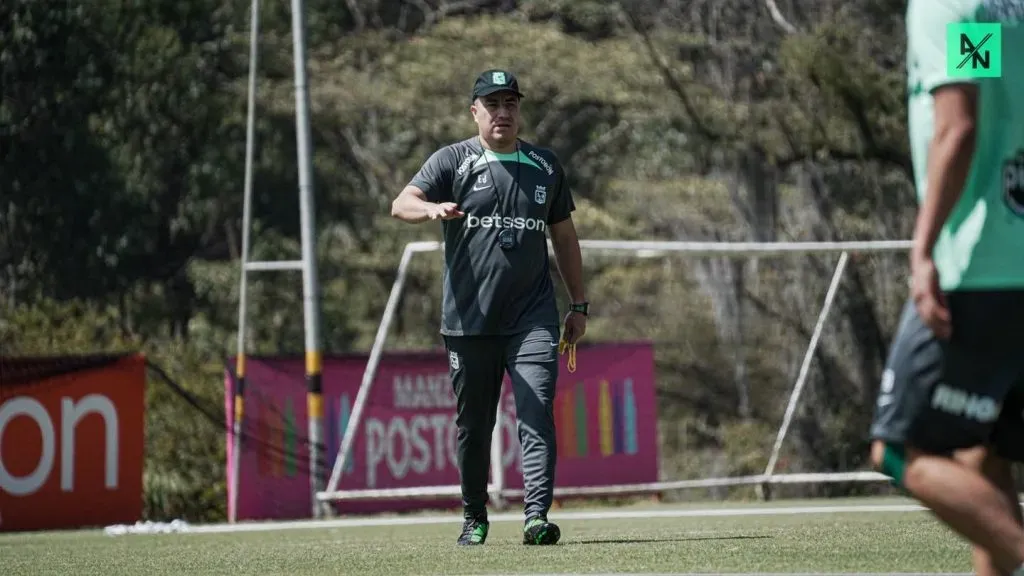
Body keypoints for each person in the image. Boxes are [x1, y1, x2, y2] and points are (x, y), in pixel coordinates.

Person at [390, 69, 589, 546]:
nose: (503, 113)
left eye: (510, 104)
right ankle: (474, 515)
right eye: (492, 104)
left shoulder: (545, 165)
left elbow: (564, 236)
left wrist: (579, 304)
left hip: (533, 318)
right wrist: (431, 209)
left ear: (520, 110)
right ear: (474, 111)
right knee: (474, 427)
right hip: (469, 321)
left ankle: (536, 517)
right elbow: (402, 202)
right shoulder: (452, 161)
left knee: (537, 410)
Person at [868, 1, 1024, 574]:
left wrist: (924, 248)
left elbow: (958, 127)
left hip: (981, 265)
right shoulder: (996, 9)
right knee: (986, 456)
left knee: (900, 450)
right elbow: (991, 84)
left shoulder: (950, 4)